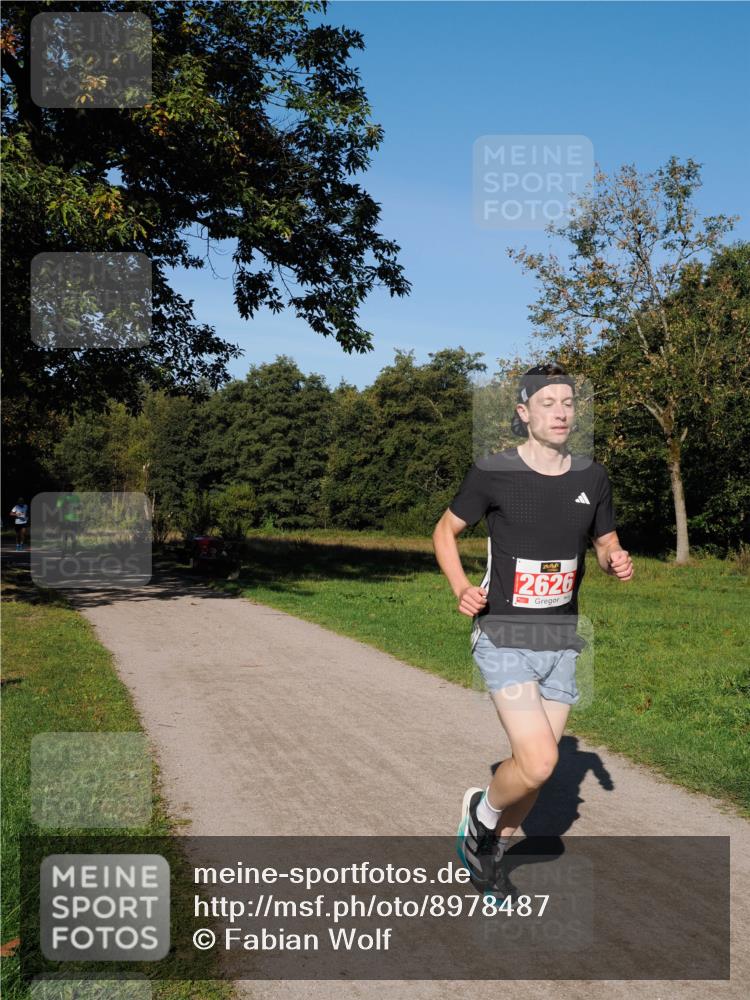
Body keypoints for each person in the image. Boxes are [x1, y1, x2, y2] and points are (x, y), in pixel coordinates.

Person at [432, 362, 633, 897]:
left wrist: (614, 558)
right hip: (503, 635)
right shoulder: (494, 473)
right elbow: (445, 532)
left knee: (535, 776)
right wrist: (460, 589)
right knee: (542, 761)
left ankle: (487, 847)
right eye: (547, 403)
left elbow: (604, 539)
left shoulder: (593, 476)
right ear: (524, 414)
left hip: (561, 641)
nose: (561, 411)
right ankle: (481, 813)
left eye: (568, 402)